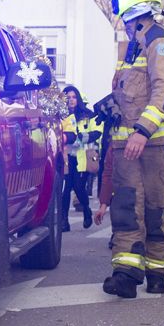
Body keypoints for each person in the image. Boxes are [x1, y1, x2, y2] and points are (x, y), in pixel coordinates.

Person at [100, 0, 164, 298]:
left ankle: (156, 273)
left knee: (155, 210)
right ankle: (125, 274)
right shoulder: (133, 45)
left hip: (156, 145)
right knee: (125, 208)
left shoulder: (158, 39)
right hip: (128, 148)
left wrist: (142, 132)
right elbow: (131, 94)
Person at [61, 85, 94, 230]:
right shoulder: (60, 114)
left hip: (80, 157)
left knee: (79, 188)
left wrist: (82, 137)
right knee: (65, 189)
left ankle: (87, 210)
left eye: (74, 97)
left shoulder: (87, 114)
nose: (71, 100)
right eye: (68, 97)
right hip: (65, 156)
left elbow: (96, 132)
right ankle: (64, 221)